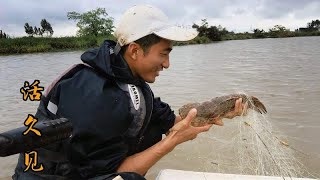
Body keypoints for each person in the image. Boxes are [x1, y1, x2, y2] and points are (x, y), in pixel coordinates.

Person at [13, 5, 246, 180]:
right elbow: (110, 175)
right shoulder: (98, 98)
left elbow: (173, 122)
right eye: (164, 54)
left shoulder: (126, 78)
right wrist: (173, 141)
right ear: (135, 50)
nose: (167, 64)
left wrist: (221, 110)